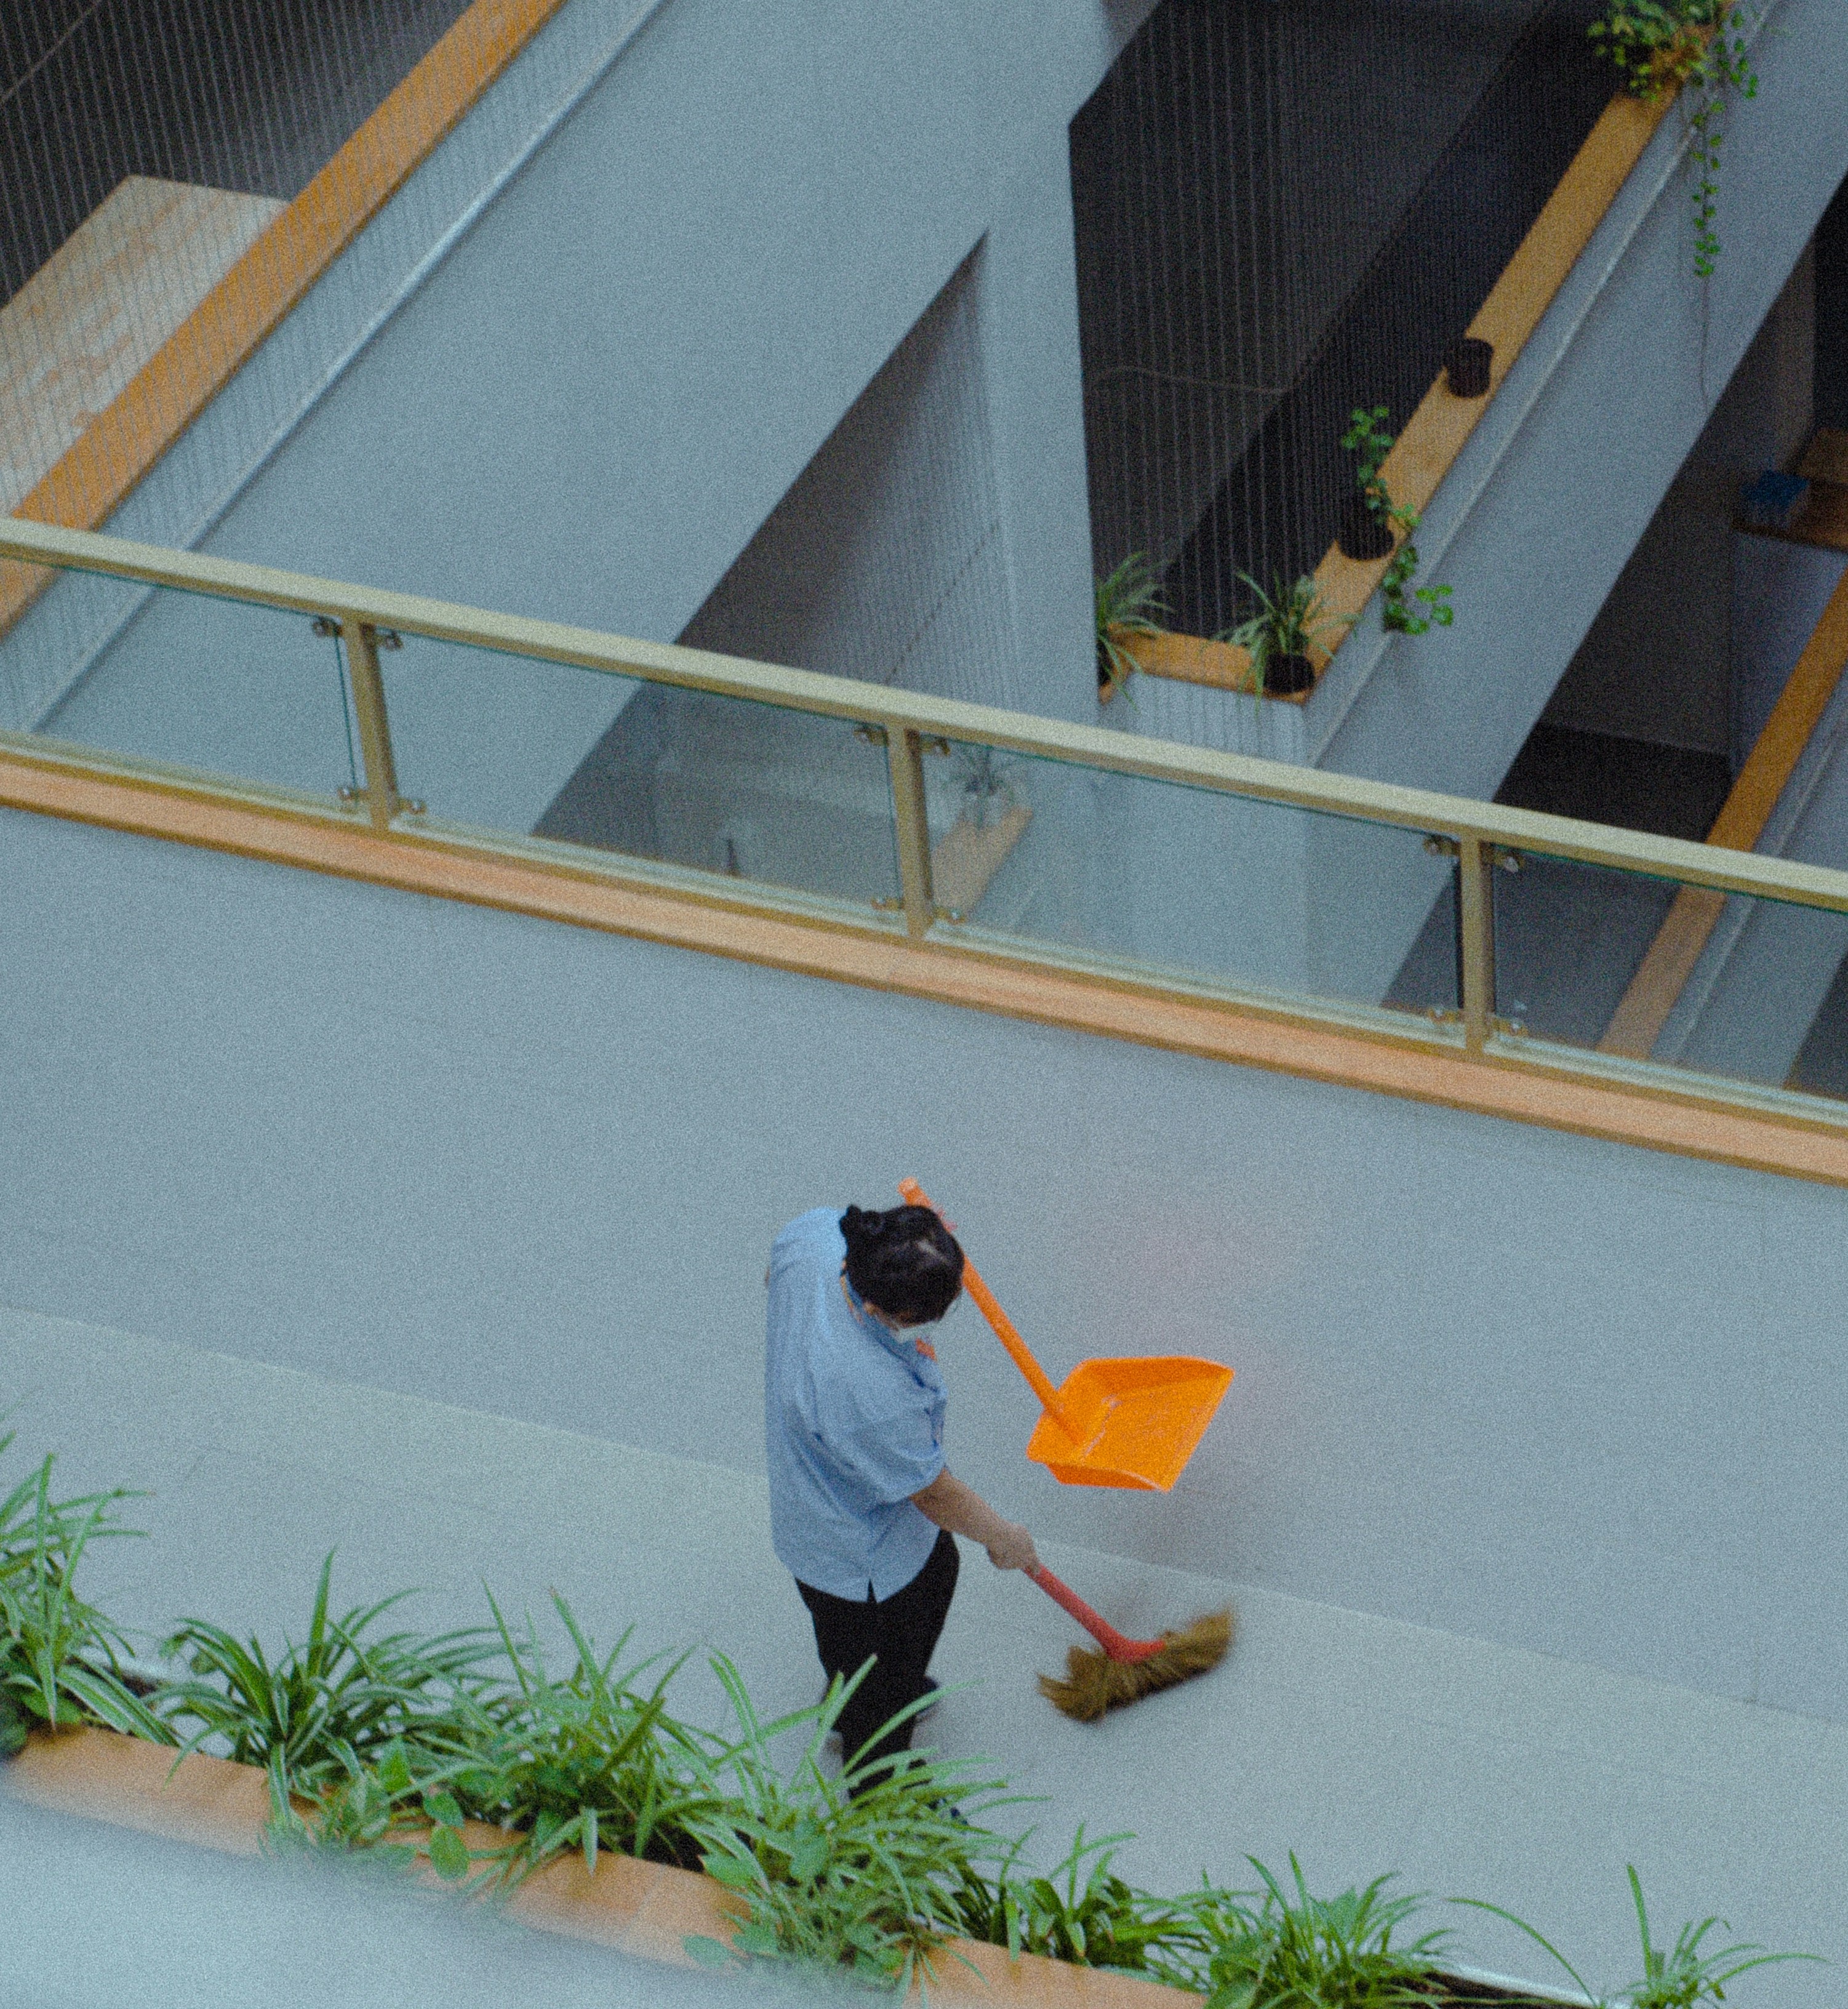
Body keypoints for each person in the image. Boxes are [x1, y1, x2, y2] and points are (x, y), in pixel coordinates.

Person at [764, 1201, 1039, 1782]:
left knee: (849, 1634)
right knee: (886, 1672)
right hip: (860, 1558)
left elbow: (773, 1274)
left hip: (809, 1519)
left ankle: (849, 1701)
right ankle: (878, 1789)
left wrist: (919, 1245)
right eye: (921, 1317)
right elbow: (932, 1494)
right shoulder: (866, 1389)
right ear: (873, 1307)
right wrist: (1004, 1537)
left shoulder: (817, 1238)